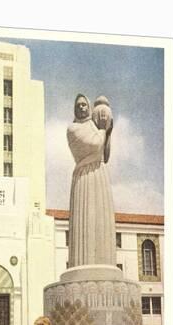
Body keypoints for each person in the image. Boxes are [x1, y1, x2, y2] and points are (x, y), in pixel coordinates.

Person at [67, 94, 116, 267]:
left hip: (99, 173)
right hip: (83, 176)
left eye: (84, 105)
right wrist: (102, 130)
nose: (82, 108)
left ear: (89, 107)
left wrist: (107, 132)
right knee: (84, 222)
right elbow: (94, 145)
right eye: (78, 105)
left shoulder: (94, 126)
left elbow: (105, 154)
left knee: (102, 221)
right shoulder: (72, 129)